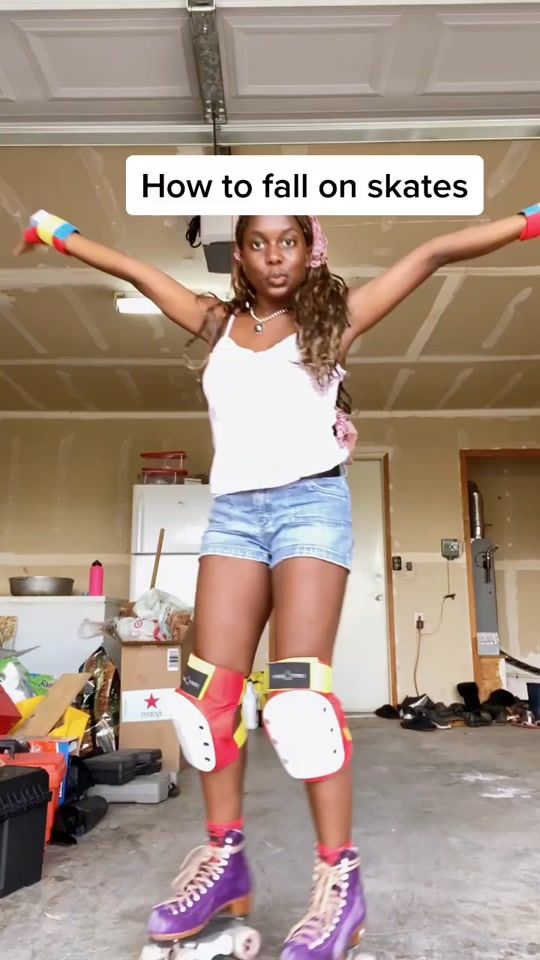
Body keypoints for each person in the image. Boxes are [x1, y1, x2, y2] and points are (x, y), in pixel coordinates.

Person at [14, 202, 540, 958]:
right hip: (232, 516)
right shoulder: (214, 323)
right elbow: (136, 269)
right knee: (205, 700)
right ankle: (226, 859)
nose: (273, 257)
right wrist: (57, 233)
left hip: (309, 508)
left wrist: (527, 221)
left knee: (298, 704)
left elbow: (432, 253)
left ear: (308, 249)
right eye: (258, 244)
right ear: (242, 256)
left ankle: (340, 880)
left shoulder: (334, 324)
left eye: (287, 241)